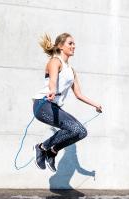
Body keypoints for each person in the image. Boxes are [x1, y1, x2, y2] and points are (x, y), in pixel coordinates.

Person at [32, 33, 102, 172]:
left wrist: (95, 104)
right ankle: (41, 148)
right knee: (74, 129)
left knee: (81, 132)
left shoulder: (71, 70)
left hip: (54, 107)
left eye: (74, 44)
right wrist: (52, 91)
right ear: (60, 46)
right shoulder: (55, 61)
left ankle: (52, 151)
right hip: (43, 105)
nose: (73, 46)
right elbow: (53, 81)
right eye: (70, 43)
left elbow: (78, 94)